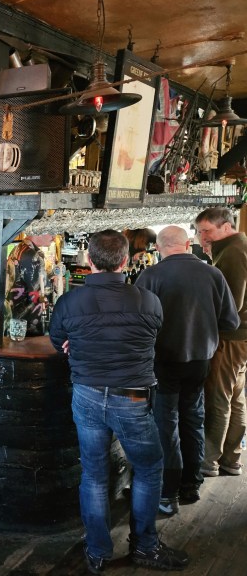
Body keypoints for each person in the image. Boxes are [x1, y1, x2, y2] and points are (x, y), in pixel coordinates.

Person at [49, 229, 189, 573]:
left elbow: (57, 340)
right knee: (149, 467)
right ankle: (145, 546)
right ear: (125, 262)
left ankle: (98, 552)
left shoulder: (69, 301)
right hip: (132, 397)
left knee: (94, 474)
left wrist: (74, 343)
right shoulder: (147, 300)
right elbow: (151, 337)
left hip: (88, 395)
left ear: (91, 262)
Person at [135, 225, 239, 515]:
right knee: (193, 418)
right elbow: (230, 322)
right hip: (200, 361)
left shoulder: (151, 275)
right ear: (188, 243)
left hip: (163, 361)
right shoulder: (213, 274)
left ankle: (168, 494)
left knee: (165, 424)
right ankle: (191, 486)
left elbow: (137, 323)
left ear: (159, 247)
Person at [194, 207, 247, 478]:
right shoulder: (234, 245)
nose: (202, 237)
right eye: (199, 231)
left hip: (230, 338)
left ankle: (209, 462)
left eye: (207, 231)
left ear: (226, 226)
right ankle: (231, 459)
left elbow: (231, 304)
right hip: (241, 337)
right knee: (236, 397)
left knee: (218, 398)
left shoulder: (234, 251)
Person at [4, 233, 54, 336]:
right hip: (28, 324)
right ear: (39, 231)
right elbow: (40, 294)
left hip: (14, 319)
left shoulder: (19, 248)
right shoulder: (32, 256)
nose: (54, 237)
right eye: (51, 232)